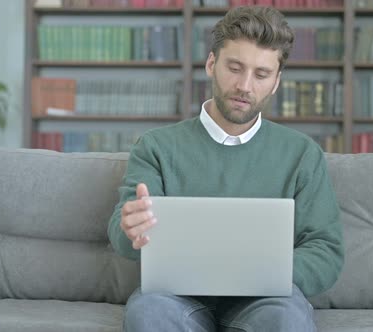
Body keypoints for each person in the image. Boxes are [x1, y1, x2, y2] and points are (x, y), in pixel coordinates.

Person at [107, 5, 343, 332]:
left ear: (276, 82)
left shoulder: (302, 154)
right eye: (235, 67)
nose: (245, 86)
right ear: (211, 64)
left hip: (267, 299)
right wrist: (129, 229)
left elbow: (326, 251)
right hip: (176, 298)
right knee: (148, 313)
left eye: (261, 74)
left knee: (286, 318)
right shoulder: (156, 146)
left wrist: (262, 272)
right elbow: (124, 230)